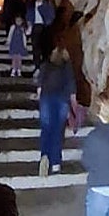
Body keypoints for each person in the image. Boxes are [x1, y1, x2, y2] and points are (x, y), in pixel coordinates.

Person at [33, 46, 76, 177]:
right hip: (62, 99)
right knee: (57, 131)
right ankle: (56, 162)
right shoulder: (67, 68)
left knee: (46, 129)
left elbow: (39, 85)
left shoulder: (46, 65)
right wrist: (73, 104)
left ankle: (44, 156)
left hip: (46, 98)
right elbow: (71, 86)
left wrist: (40, 99)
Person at [27, 0, 56, 66]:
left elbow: (51, 15)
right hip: (35, 26)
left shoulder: (47, 5)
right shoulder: (32, 5)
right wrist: (29, 24)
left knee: (45, 46)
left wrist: (48, 23)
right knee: (35, 46)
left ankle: (44, 64)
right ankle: (36, 64)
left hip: (44, 27)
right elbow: (28, 16)